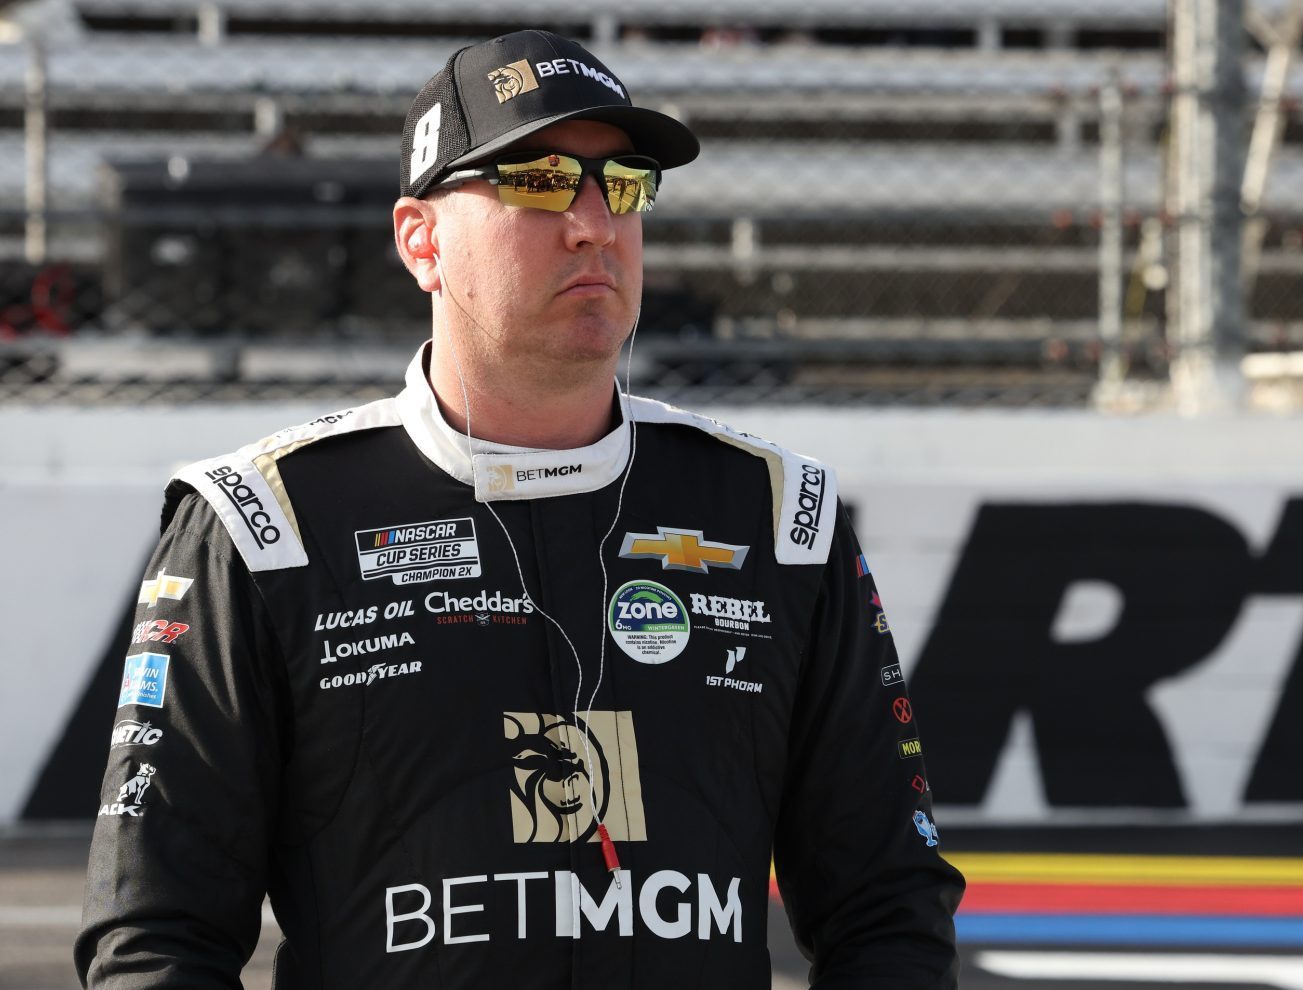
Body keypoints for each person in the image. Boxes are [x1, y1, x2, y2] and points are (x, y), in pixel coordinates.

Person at [77, 29, 963, 990]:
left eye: (623, 185)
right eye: (540, 182)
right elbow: (156, 940)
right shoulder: (264, 524)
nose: (594, 224)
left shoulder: (781, 518)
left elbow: (887, 911)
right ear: (421, 242)